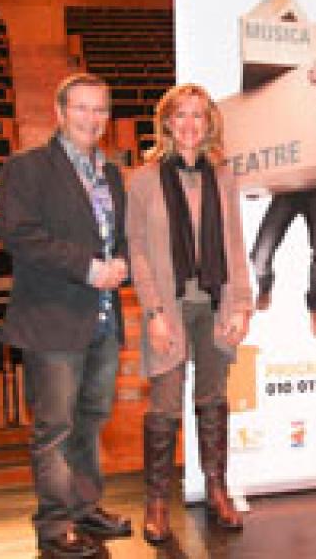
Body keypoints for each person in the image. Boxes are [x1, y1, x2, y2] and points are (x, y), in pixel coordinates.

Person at [0, 73, 132, 557]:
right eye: (81, 108)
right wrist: (91, 268)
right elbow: (21, 237)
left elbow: (118, 238)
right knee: (54, 430)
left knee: (91, 421)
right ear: (60, 112)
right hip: (52, 320)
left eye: (100, 110)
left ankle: (84, 506)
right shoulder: (27, 168)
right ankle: (54, 525)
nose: (91, 118)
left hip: (104, 320)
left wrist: (123, 263)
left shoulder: (111, 173)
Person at [126, 84, 253, 542]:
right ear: (166, 122)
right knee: (164, 403)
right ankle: (158, 501)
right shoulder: (143, 180)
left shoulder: (223, 176)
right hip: (169, 307)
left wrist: (241, 304)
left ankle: (217, 491)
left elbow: (234, 243)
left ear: (209, 123)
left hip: (215, 305)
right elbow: (138, 251)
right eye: (180, 115)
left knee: (213, 398)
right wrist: (154, 311)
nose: (189, 124)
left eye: (198, 115)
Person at [250, 67, 316, 338]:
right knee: (260, 255)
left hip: (315, 190)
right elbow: (259, 157)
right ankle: (265, 287)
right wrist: (255, 185)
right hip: (285, 191)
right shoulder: (274, 122)